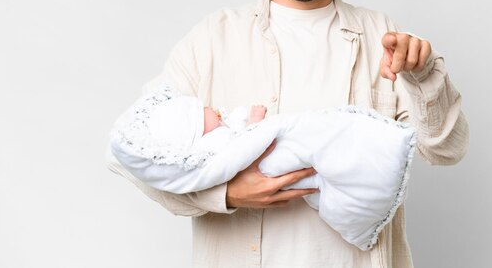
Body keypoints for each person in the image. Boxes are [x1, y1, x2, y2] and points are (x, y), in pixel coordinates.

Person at [107, 0, 469, 268]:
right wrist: (224, 193)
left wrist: (425, 76)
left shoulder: (382, 36)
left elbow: (446, 150)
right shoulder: (212, 39)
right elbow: (131, 152)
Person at [109, 84, 418, 251]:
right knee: (319, 150)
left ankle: (375, 156)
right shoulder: (206, 149)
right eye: (205, 111)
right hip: (269, 176)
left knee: (327, 151)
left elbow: (239, 139)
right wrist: (228, 193)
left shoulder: (217, 133)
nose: (214, 109)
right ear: (193, 132)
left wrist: (250, 123)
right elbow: (241, 150)